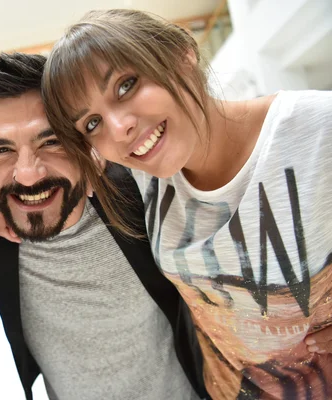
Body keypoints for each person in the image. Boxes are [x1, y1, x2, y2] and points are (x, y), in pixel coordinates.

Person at [41, 8, 332, 400]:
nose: (118, 127)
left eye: (126, 85)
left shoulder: (317, 129)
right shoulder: (146, 178)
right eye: (92, 123)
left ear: (182, 54)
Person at [0, 52, 204, 400]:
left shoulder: (143, 195)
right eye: (1, 150)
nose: (28, 174)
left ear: (85, 144)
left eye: (51, 141)